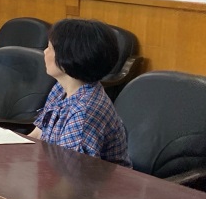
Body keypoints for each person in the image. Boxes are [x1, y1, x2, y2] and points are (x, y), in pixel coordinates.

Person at [29, 18, 131, 166]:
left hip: (90, 180)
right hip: (57, 170)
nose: (44, 52)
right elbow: (38, 134)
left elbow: (71, 172)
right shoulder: (61, 88)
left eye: (50, 48)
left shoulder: (84, 112)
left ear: (69, 57)